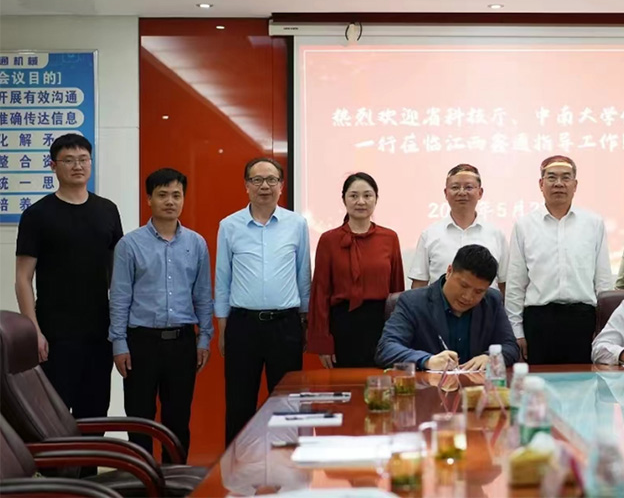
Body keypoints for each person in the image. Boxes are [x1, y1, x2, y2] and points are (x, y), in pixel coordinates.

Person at [14, 134, 123, 421]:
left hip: (100, 332)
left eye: (83, 159)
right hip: (55, 334)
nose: (78, 166)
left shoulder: (107, 210)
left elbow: (118, 276)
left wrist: (120, 329)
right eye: (69, 160)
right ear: (53, 165)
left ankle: (90, 455)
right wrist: (33, 331)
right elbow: (23, 278)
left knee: (95, 414)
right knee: (54, 416)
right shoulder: (37, 215)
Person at [109, 168, 213, 463]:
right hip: (140, 343)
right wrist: (119, 343)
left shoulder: (196, 244)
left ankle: (173, 479)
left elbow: (203, 294)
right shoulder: (129, 244)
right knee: (139, 418)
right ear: (149, 199)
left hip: (182, 342)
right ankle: (141, 479)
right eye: (162, 195)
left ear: (183, 199)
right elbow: (119, 297)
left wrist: (204, 338)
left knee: (178, 419)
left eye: (176, 195)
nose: (170, 201)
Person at [216, 157, 311, 445]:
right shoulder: (229, 226)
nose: (264, 186)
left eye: (271, 180)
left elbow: (303, 275)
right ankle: (236, 468)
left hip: (286, 325)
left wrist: (304, 320)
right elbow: (222, 278)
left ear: (282, 185)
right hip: (242, 325)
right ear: (246, 185)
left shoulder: (297, 224)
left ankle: (288, 467)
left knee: (287, 404)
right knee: (239, 403)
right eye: (257, 180)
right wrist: (223, 327)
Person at [506, 155, 614, 364]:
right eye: (551, 177)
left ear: (575, 185)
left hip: (583, 321)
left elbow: (603, 281)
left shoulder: (593, 223)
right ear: (541, 184)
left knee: (584, 383)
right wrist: (516, 331)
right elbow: (515, 285)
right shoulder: (524, 225)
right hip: (538, 322)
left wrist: (605, 329)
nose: (558, 184)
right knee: (538, 384)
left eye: (565, 178)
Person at [307, 172, 404, 368]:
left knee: (381, 384)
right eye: (353, 196)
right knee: (345, 384)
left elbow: (397, 290)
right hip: (342, 326)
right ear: (344, 199)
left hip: (381, 326)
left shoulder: (389, 238)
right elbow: (320, 293)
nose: (361, 201)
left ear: (376, 199)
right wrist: (323, 342)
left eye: (367, 195)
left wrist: (400, 335)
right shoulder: (328, 240)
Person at [375, 244, 519, 370]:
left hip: (476, 387)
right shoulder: (413, 302)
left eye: (478, 291)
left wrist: (491, 358)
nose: (468, 297)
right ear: (449, 271)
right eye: (463, 285)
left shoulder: (492, 301)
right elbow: (386, 348)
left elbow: (510, 347)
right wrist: (427, 361)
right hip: (428, 388)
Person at [409, 164, 508, 293]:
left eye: (468, 187)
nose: (462, 193)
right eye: (455, 187)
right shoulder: (430, 234)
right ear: (446, 193)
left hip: (485, 305)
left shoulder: (496, 235)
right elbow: (419, 285)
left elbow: (504, 284)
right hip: (440, 305)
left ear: (480, 193)